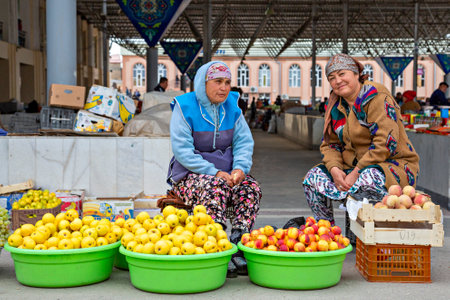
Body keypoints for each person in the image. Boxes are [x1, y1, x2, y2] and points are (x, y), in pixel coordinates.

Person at [167, 61, 262, 277]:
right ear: (203, 83)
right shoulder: (185, 107)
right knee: (216, 186)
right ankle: (216, 246)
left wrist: (239, 169)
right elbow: (182, 151)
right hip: (191, 176)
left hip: (227, 174)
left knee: (250, 187)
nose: (224, 87)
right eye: (218, 81)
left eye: (228, 82)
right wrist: (214, 172)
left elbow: (244, 143)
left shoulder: (232, 107)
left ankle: (238, 244)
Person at [302, 53, 419, 226]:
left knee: (368, 178)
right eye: (332, 78)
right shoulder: (336, 106)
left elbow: (385, 142)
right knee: (313, 178)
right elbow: (330, 144)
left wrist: (356, 173)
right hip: (353, 169)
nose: (337, 81)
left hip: (391, 166)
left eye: (342, 74)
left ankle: (366, 234)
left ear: (356, 74)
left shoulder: (376, 96)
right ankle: (327, 231)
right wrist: (334, 170)